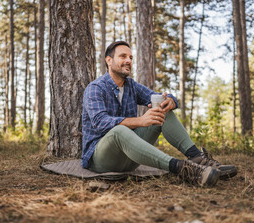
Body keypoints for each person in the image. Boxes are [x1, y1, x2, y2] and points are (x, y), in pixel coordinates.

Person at [81, 41, 237, 187]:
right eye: (123, 56)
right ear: (109, 60)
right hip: (101, 160)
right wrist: (140, 121)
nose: (128, 60)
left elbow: (158, 96)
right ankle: (184, 169)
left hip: (131, 158)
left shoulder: (131, 86)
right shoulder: (95, 88)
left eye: (130, 57)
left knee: (161, 110)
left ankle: (199, 159)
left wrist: (170, 100)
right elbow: (100, 122)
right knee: (119, 130)